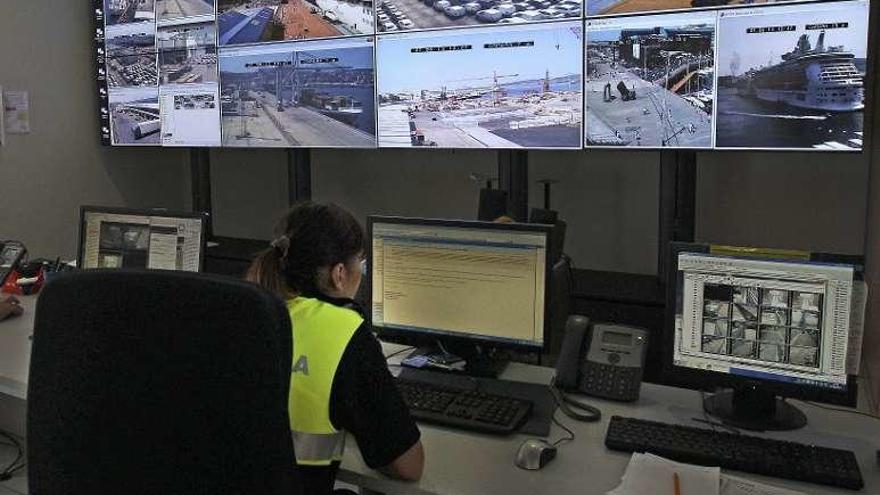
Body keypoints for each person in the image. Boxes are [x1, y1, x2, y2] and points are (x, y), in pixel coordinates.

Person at [247, 202, 424, 495]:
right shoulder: (344, 332)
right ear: (339, 274)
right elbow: (409, 467)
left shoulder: (247, 312)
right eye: (362, 265)